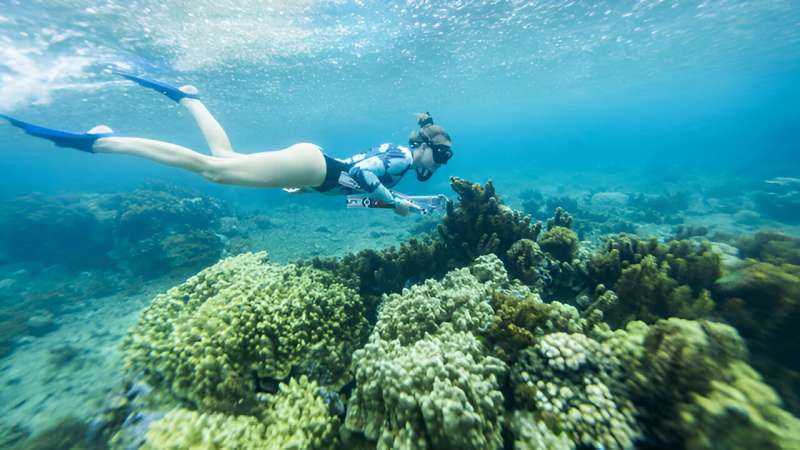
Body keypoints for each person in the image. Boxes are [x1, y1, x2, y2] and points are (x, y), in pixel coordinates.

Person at [0, 73, 453, 216]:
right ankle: (102, 143)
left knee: (223, 159)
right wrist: (394, 201)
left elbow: (354, 194)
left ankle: (190, 98)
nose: (441, 162)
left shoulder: (403, 166)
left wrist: (400, 201)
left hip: (313, 171)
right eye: (443, 154)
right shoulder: (398, 157)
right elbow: (367, 175)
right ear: (427, 146)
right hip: (316, 167)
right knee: (213, 170)